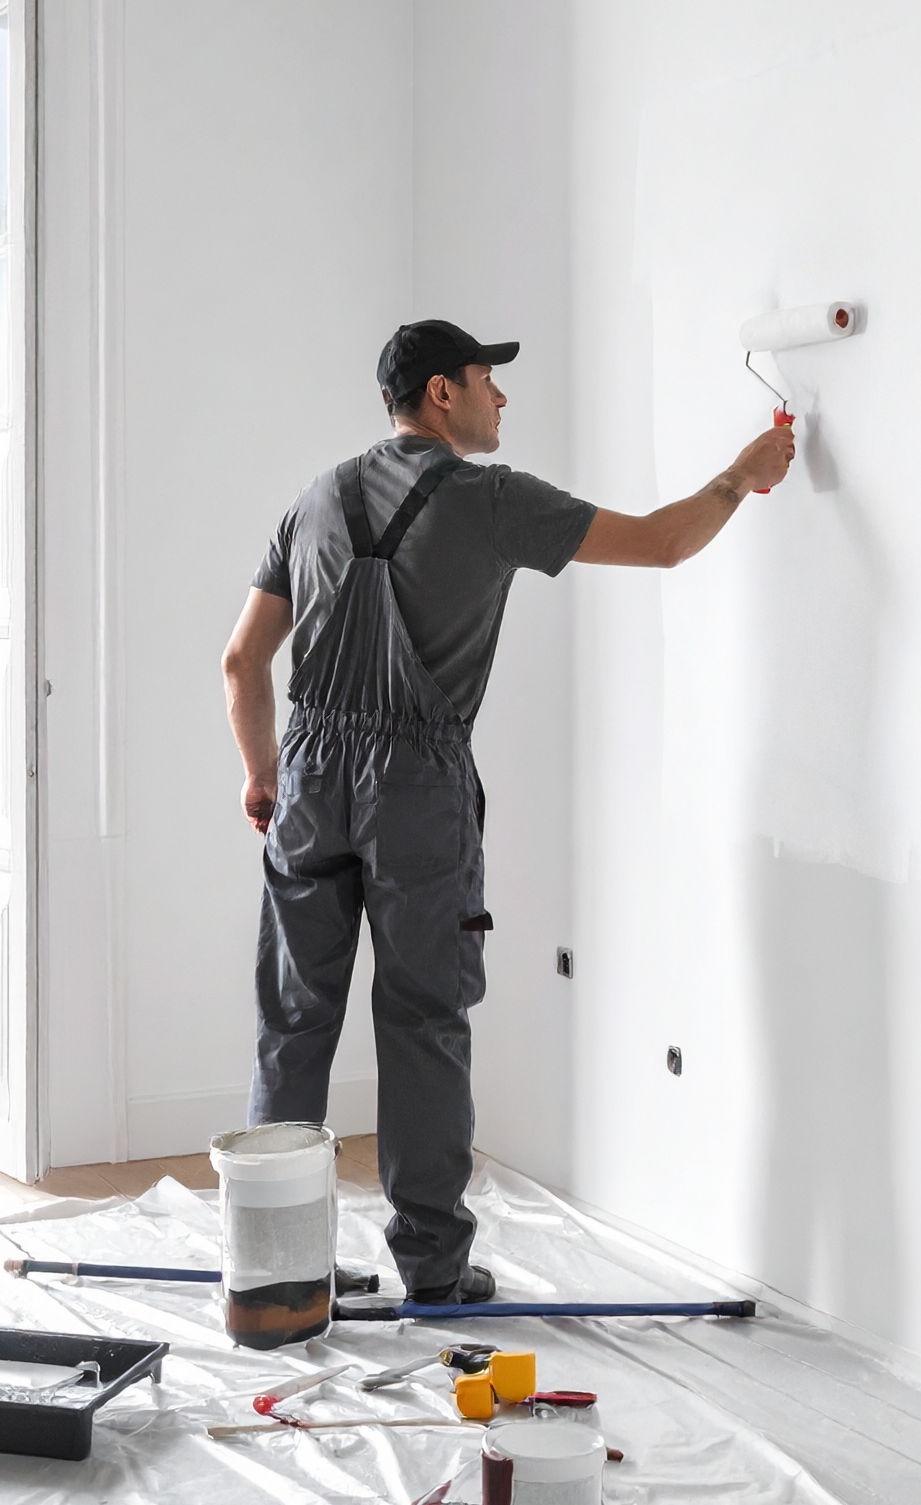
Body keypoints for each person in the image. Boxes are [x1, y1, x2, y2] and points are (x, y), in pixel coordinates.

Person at [220, 319, 794, 1303]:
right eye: (490, 380)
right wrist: (742, 474)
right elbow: (662, 543)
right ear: (442, 392)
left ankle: (276, 1275)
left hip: (311, 776)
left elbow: (241, 663)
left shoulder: (315, 498)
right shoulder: (490, 501)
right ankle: (433, 1268)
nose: (502, 399)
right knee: (424, 1022)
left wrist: (262, 772)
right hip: (415, 788)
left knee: (293, 1025)